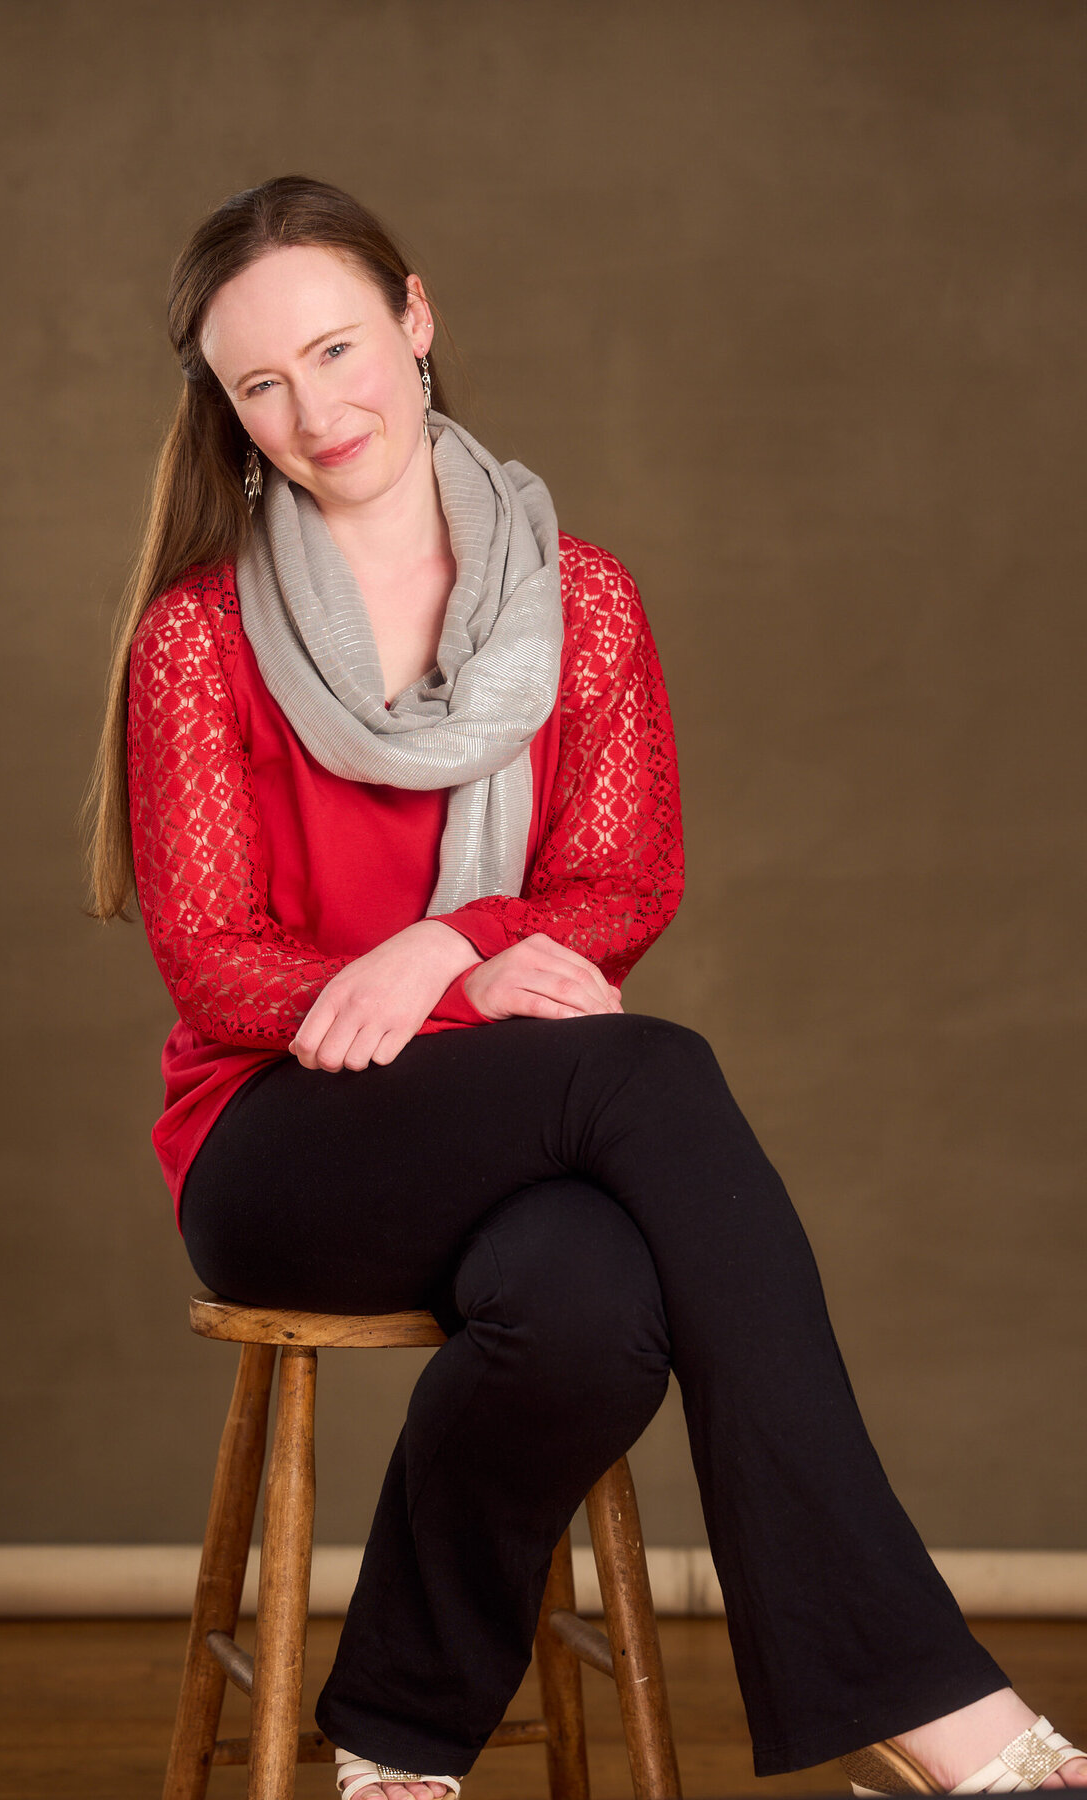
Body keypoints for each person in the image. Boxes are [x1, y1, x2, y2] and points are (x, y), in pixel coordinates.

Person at [82, 175, 1085, 1800]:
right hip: (278, 1144)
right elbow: (216, 964)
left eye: (336, 350)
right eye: (260, 383)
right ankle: (929, 1705)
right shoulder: (200, 639)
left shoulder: (585, 603)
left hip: (497, 1134)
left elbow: (620, 887)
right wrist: (468, 975)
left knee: (592, 1303)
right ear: (225, 405)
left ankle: (394, 1745)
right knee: (650, 1073)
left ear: (416, 319)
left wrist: (443, 943)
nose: (314, 412)